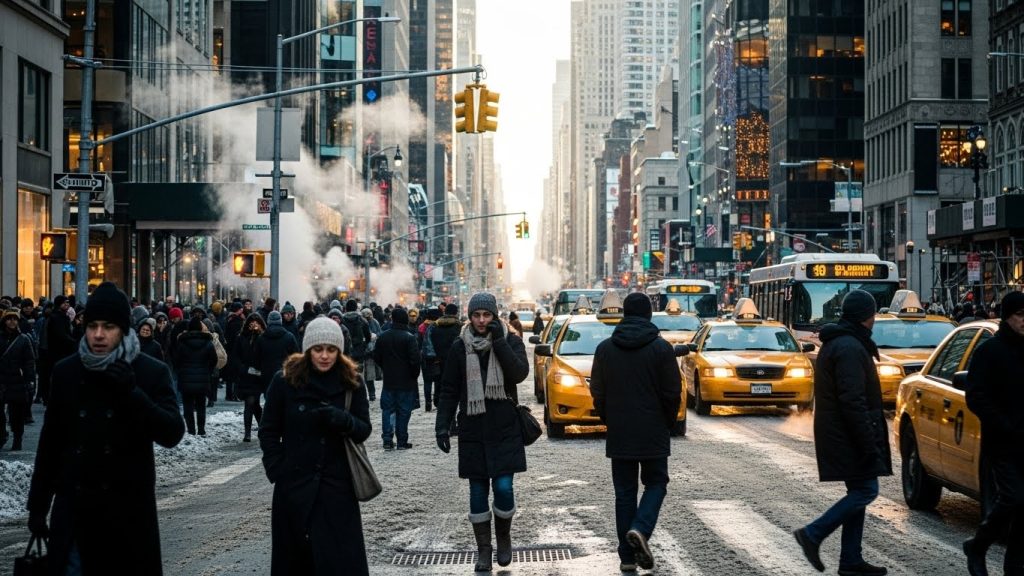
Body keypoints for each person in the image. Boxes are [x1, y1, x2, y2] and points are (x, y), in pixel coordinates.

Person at [26, 281, 185, 573]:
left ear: (124, 329)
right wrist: (38, 506)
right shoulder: (67, 371)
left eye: (108, 326)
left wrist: (132, 394)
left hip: (128, 517)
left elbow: (172, 432)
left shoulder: (149, 370)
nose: (99, 334)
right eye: (92, 325)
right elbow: (51, 444)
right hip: (75, 515)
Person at [259, 317, 371, 575]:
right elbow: (268, 430)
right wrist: (277, 469)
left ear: (339, 351)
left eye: (331, 350)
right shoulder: (284, 381)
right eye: (318, 349)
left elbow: (363, 430)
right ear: (308, 349)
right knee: (296, 562)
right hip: (294, 486)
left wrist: (342, 419)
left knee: (339, 562)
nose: (324, 356)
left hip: (337, 488)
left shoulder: (352, 382)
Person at [794, 289, 891, 576]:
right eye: (873, 313)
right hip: (848, 434)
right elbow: (852, 400)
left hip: (842, 432)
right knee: (866, 490)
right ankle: (813, 533)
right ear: (866, 316)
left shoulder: (842, 342)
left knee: (858, 492)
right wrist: (867, 442)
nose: (874, 319)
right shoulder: (849, 346)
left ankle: (851, 560)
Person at [434, 293, 530, 572]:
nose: (481, 321)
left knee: (503, 487)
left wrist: (499, 342)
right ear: (469, 316)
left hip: (504, 428)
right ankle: (484, 550)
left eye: (486, 315)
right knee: (477, 491)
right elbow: (449, 389)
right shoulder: (458, 347)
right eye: (476, 315)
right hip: (473, 428)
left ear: (495, 316)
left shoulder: (510, 341)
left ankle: (503, 536)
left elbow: (519, 374)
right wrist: (442, 425)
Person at [590, 293, 681, 572]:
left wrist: (610, 419)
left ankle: (627, 558)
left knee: (625, 493)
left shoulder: (605, 349)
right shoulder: (662, 349)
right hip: (653, 430)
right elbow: (672, 393)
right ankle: (641, 528)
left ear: (624, 315)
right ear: (649, 315)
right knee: (656, 483)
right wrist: (666, 422)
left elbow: (598, 392)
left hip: (620, 432)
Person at [963, 291, 1024, 576]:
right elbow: (975, 395)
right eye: (1020, 316)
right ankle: (979, 544)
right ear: (1007, 317)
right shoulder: (989, 351)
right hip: (1003, 443)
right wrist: (1003, 423)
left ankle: (1014, 565)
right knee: (1012, 497)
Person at [372, 307, 420, 450]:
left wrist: (386, 367)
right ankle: (402, 441)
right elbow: (415, 361)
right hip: (406, 382)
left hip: (389, 381)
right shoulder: (409, 337)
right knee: (404, 412)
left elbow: (376, 357)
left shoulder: (383, 337)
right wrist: (413, 375)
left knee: (387, 410)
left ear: (392, 319)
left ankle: (387, 439)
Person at [173, 317, 219, 436]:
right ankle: (201, 429)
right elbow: (214, 359)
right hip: (203, 377)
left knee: (188, 405)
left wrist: (181, 371)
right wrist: (207, 370)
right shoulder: (207, 342)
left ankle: (191, 430)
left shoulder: (182, 342)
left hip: (186, 377)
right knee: (201, 405)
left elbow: (176, 360)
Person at [0, 308, 37, 450]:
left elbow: (29, 362)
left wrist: (30, 381)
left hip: (17, 379)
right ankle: (2, 435)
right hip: (2, 379)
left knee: (17, 413)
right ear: (4, 321)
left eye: (15, 319)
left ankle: (17, 439)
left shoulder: (23, 339)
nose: (12, 321)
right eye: (9, 318)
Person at [234, 313, 267, 442]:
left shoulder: (263, 337)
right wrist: (242, 369)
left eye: (256, 322)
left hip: (257, 377)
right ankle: (261, 428)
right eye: (251, 323)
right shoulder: (241, 337)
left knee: (251, 403)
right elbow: (235, 356)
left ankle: (248, 433)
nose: (253, 325)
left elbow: (265, 354)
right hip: (245, 376)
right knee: (253, 404)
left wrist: (259, 334)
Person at [360, 307, 381, 402]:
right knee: (362, 376)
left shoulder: (375, 322)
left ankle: (372, 394)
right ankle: (364, 395)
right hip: (362, 352)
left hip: (370, 353)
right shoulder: (360, 322)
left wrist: (374, 337)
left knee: (370, 376)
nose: (368, 319)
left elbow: (379, 333)